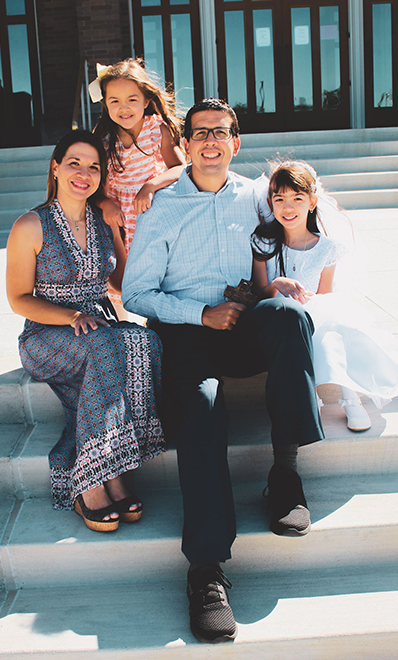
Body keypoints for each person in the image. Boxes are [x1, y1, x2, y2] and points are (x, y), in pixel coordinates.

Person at [122, 99, 324, 643]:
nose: (210, 141)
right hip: (187, 334)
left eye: (221, 132)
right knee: (204, 407)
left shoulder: (255, 198)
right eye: (199, 133)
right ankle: (206, 571)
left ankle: (284, 474)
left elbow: (304, 212)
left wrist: (278, 285)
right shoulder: (160, 210)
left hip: (241, 320)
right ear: (183, 145)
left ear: (236, 143)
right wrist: (199, 314)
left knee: (287, 315)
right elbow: (137, 293)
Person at [6, 130, 165, 533]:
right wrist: (71, 317)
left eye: (94, 166)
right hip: (46, 334)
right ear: (56, 168)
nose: (84, 172)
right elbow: (19, 298)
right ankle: (93, 479)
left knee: (143, 341)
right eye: (74, 163)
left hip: (99, 329)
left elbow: (123, 283)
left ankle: (110, 469)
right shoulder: (30, 224)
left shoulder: (102, 217)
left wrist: (116, 229)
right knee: (106, 346)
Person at [251, 160, 398, 431]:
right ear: (271, 202)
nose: (288, 207)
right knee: (298, 321)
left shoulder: (327, 248)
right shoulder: (264, 242)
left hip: (316, 314)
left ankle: (350, 397)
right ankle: (311, 396)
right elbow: (260, 294)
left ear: (312, 201)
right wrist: (278, 284)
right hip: (279, 319)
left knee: (332, 314)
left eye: (297, 198)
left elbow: (325, 296)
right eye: (280, 199)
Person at [89, 58, 186, 253]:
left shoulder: (156, 130)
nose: (123, 108)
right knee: (120, 276)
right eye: (114, 101)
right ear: (106, 105)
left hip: (150, 214)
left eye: (132, 100)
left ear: (146, 100)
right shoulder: (104, 140)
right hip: (117, 220)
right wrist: (105, 203)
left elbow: (182, 168)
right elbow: (94, 190)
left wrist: (150, 186)